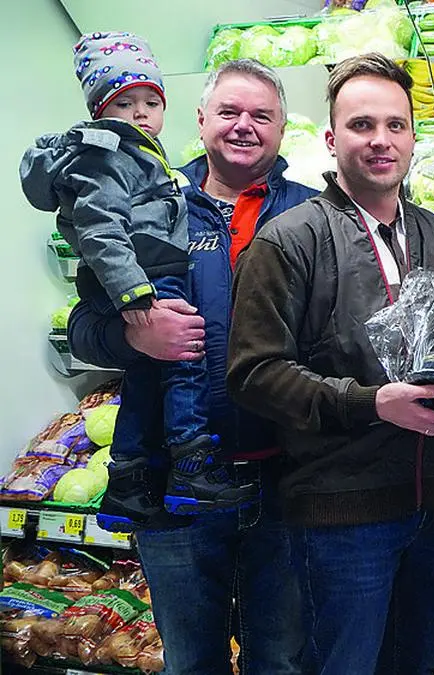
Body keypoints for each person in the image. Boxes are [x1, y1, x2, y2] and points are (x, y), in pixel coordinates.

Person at [64, 57, 315, 674]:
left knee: (280, 659)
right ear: (201, 120)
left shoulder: (313, 214)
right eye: (229, 112)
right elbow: (83, 330)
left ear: (283, 128)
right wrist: (135, 337)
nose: (244, 126)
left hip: (287, 484)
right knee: (190, 661)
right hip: (174, 485)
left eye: (262, 115)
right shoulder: (150, 202)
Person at [225, 53, 434, 675]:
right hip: (342, 516)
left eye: (396, 125)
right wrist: (371, 403)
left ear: (414, 137)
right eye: (362, 125)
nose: (381, 140)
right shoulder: (289, 239)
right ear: (333, 140)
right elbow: (254, 372)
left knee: (416, 663)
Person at [20, 32, 258, 529]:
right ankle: (189, 467)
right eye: (125, 102)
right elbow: (99, 240)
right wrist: (134, 323)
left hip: (271, 476)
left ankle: (127, 481)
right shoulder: (113, 159)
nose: (141, 112)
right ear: (202, 119)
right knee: (184, 361)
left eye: (151, 101)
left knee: (151, 381)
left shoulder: (299, 206)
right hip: (149, 279)